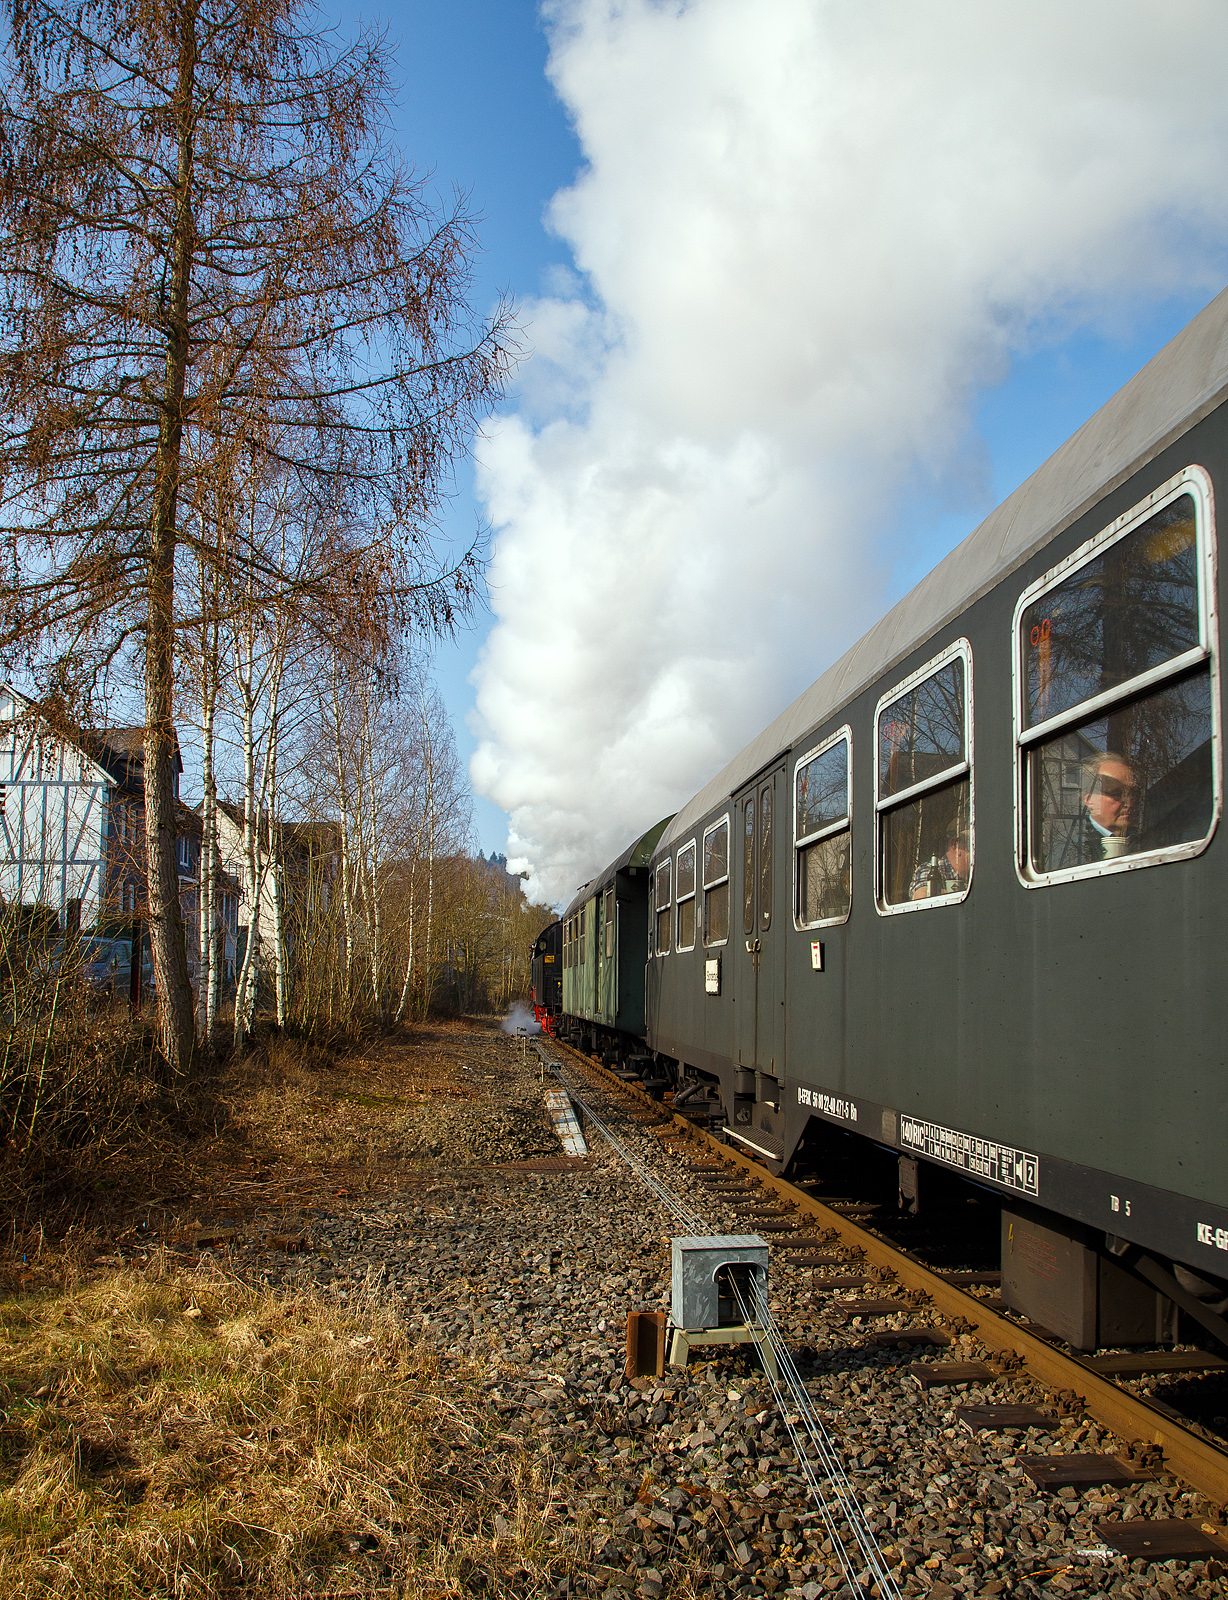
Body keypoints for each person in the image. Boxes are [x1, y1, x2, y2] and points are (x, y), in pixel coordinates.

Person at [1049, 752, 1137, 869]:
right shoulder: (1069, 846)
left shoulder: (1148, 840)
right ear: (1089, 800)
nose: (1129, 803)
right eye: (1117, 794)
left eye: (1132, 793)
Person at [910, 819, 970, 900]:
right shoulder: (930, 870)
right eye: (972, 847)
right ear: (955, 844)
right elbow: (922, 896)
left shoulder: (975, 874)